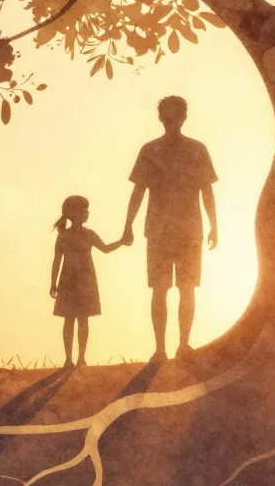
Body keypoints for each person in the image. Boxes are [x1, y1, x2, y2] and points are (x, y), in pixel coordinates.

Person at [120, 96, 218, 360]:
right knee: (159, 289)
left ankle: (183, 344)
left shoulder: (197, 150)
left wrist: (214, 225)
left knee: (187, 288)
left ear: (184, 118)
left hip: (189, 230)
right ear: (161, 118)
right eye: (168, 116)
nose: (172, 122)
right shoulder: (150, 151)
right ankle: (160, 348)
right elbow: (138, 190)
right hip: (158, 230)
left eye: (176, 116)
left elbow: (206, 190)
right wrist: (128, 225)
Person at [49, 195, 126, 367]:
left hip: (86, 281)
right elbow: (57, 260)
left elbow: (105, 249)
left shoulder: (89, 234)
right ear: (75, 213)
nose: (87, 213)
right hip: (68, 281)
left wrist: (121, 242)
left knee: (83, 320)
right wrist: (53, 282)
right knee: (69, 320)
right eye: (84, 210)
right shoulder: (63, 236)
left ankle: (81, 358)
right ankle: (69, 359)